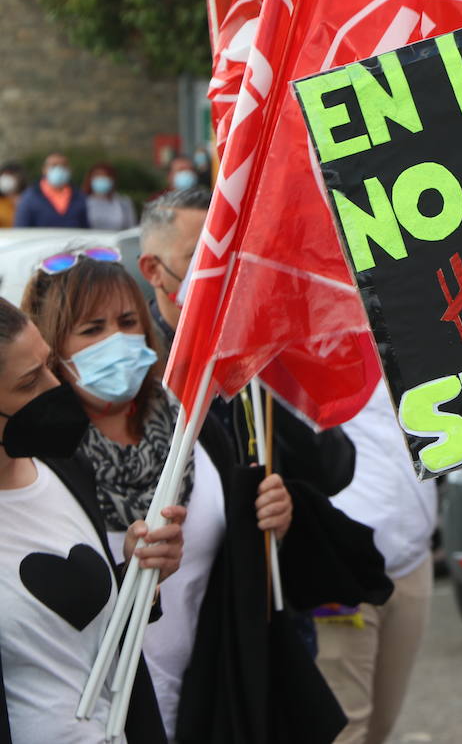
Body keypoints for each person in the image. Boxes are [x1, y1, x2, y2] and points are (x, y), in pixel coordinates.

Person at [135, 187, 392, 743]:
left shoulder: (254, 357)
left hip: (264, 624)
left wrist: (285, 500)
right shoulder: (139, 372)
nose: (221, 279)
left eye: (232, 262)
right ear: (153, 270)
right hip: (175, 631)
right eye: (203, 262)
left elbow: (334, 464)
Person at [0, 294, 184, 743]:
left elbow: (82, 635)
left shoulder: (63, 467)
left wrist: (139, 575)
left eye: (48, 365)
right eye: (29, 383)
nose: (55, 386)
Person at [314, 383, 439, 744]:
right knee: (345, 727)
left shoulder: (408, 341)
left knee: (380, 725)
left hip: (413, 564)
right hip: (342, 573)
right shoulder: (311, 341)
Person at [15, 152, 88, 228]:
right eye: (54, 165)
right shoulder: (30, 197)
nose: (59, 169)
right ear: (44, 169)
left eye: (63, 166)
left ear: (69, 169)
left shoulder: (79, 196)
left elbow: (85, 227)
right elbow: (21, 228)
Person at [84, 163, 137, 231]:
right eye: (98, 176)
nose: (101, 179)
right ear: (90, 179)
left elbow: (132, 228)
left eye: (105, 176)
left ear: (112, 179)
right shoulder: (83, 201)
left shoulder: (124, 202)